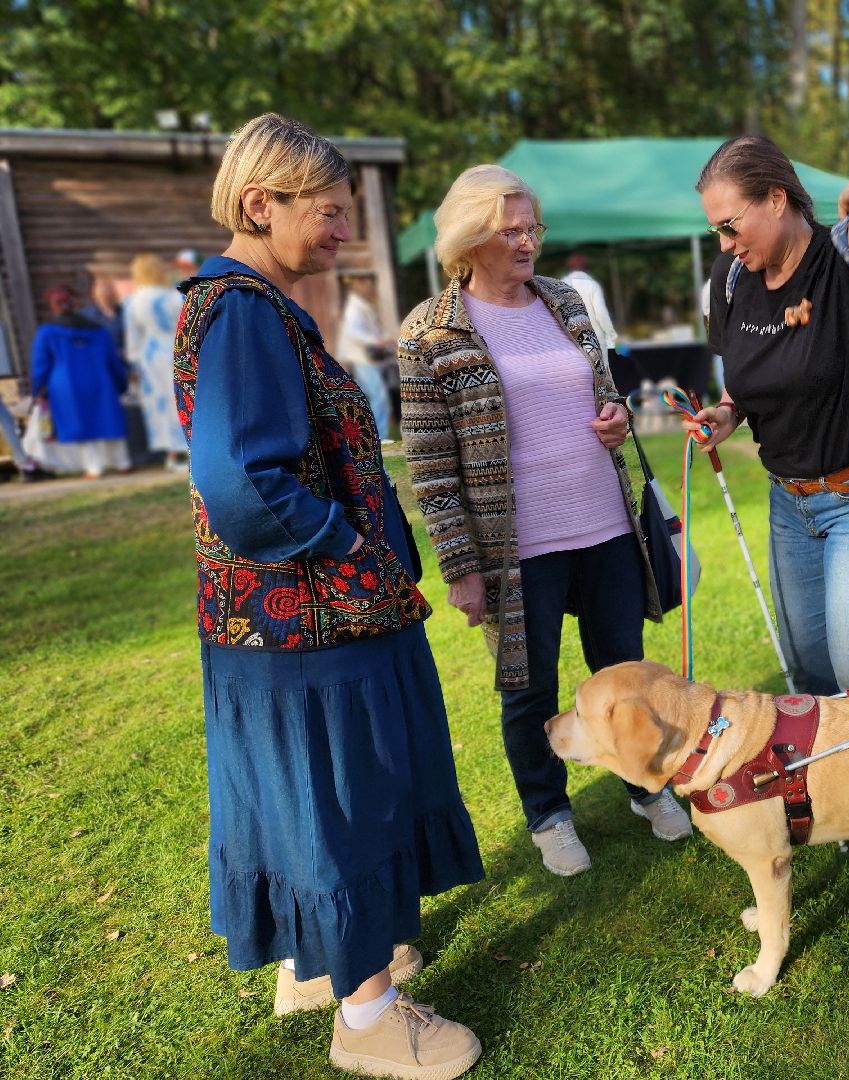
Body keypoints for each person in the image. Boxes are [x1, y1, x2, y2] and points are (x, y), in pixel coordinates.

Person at [176, 113, 484, 1080]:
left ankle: (323, 964)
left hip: (292, 626)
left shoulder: (264, 306)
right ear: (259, 202)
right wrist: (349, 547)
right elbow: (240, 481)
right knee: (339, 800)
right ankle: (368, 1019)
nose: (344, 229)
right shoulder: (242, 312)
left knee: (311, 804)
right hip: (307, 626)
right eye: (329, 210)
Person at [398, 164, 692, 878]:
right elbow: (430, 468)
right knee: (530, 690)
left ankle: (644, 786)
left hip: (606, 528)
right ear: (471, 239)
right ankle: (549, 815)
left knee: (623, 673)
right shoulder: (429, 333)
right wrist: (461, 570)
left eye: (534, 227)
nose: (529, 241)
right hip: (515, 550)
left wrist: (617, 417)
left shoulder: (563, 301)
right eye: (513, 230)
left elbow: (600, 394)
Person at [686, 135, 849, 889]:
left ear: (778, 199)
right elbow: (746, 384)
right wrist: (726, 417)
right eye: (716, 232)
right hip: (790, 502)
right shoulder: (732, 282)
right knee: (811, 670)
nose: (726, 244)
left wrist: (844, 199)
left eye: (734, 223)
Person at [30, 284, 131, 478]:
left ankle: (94, 467)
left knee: (82, 423)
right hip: (101, 381)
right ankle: (123, 462)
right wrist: (121, 383)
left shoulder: (47, 332)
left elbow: (40, 363)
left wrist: (38, 387)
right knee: (108, 418)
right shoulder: (99, 330)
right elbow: (113, 360)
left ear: (53, 305)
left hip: (65, 386)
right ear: (74, 302)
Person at [123, 253, 188, 469]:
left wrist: (134, 361)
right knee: (184, 399)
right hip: (178, 349)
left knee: (159, 404)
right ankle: (190, 449)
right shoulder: (176, 295)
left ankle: (171, 455)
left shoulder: (133, 301)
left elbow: (133, 337)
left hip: (151, 355)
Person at [335, 273, 395, 441]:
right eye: (367, 284)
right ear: (359, 284)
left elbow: (371, 330)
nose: (370, 287)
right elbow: (354, 332)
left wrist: (386, 338)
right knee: (379, 395)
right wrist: (376, 340)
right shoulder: (354, 307)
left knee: (361, 397)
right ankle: (380, 437)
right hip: (362, 357)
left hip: (364, 358)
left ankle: (363, 435)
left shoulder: (363, 306)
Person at [561, 251, 618, 352]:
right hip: (594, 342)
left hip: (570, 342)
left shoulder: (560, 285)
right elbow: (601, 314)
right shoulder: (592, 285)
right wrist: (612, 335)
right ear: (587, 267)